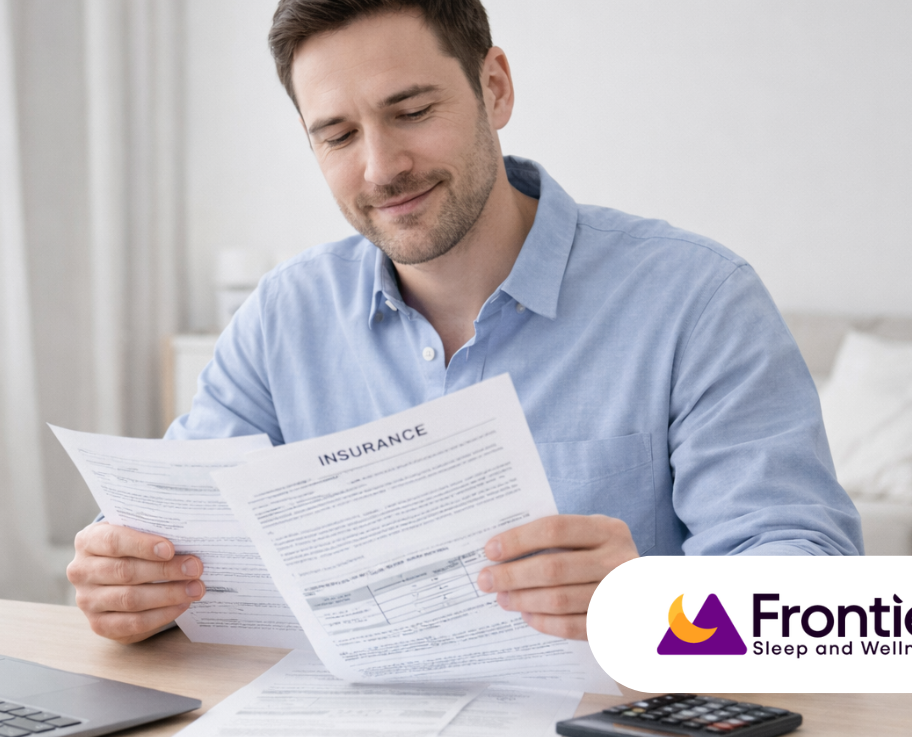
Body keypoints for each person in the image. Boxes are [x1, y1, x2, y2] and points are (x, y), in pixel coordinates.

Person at [66, 0, 863, 646]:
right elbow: (168, 522)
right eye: (337, 135)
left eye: (410, 111)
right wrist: (131, 580)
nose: (380, 168)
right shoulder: (284, 315)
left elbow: (815, 590)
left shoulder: (697, 299)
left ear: (496, 88)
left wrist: (656, 607)